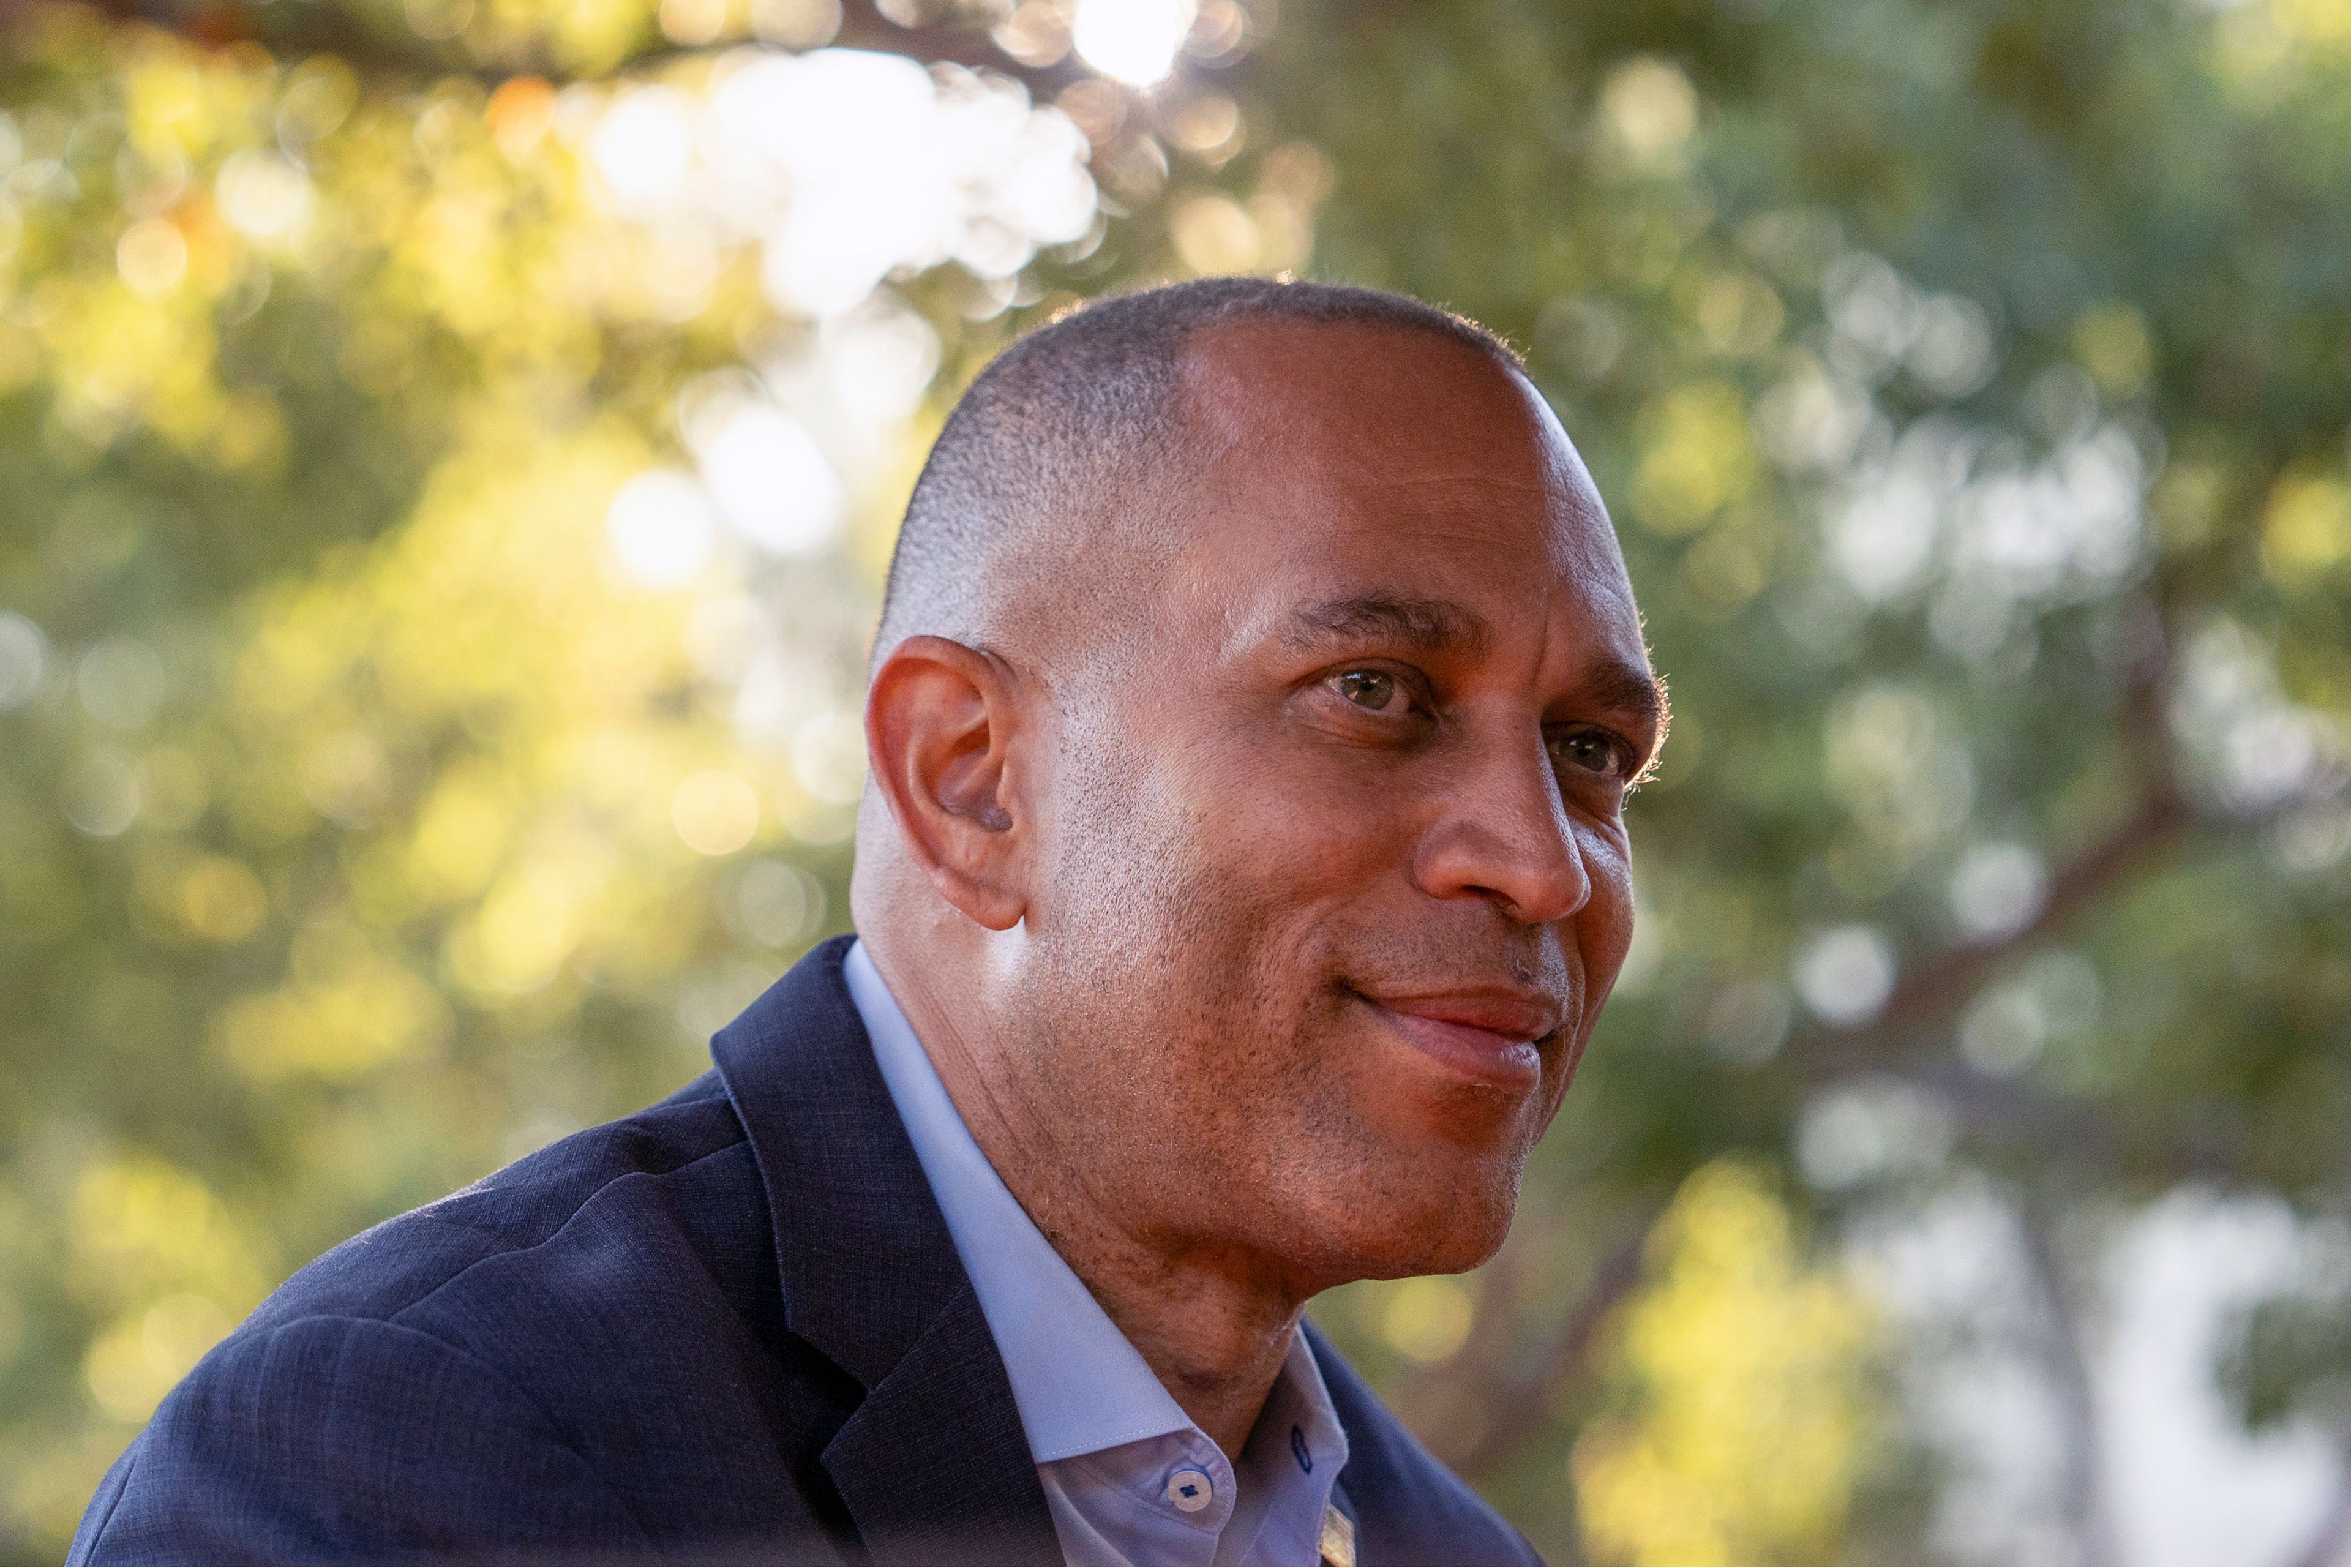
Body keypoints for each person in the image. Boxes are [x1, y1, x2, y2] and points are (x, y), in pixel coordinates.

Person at [69, 277, 1666, 1566]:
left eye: (1589, 752)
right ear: (971, 781)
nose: (1544, 864)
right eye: (1373, 693)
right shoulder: (420, 1451)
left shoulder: (1440, 1547)